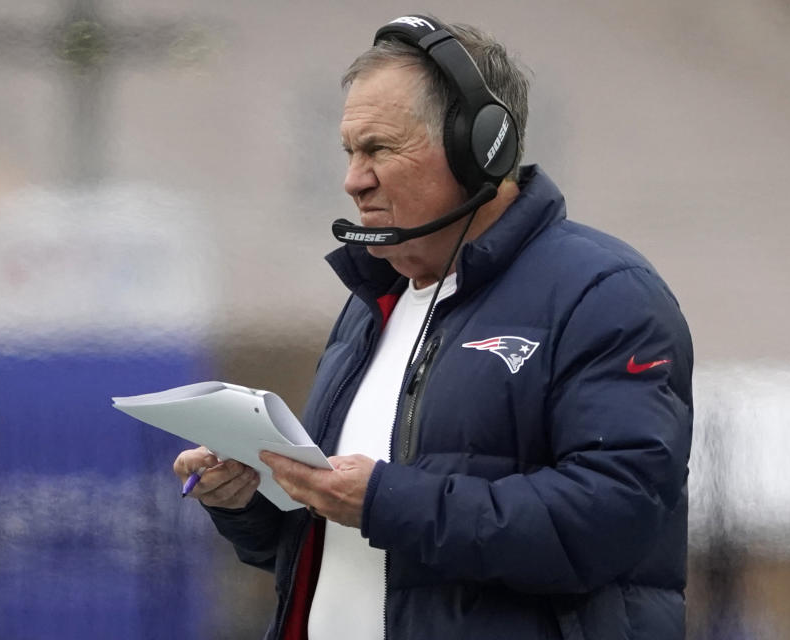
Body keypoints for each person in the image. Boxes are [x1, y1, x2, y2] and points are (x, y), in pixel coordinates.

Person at [174, 15, 692, 640]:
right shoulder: (374, 306)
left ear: (482, 149)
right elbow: (330, 547)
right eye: (349, 152)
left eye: (379, 149)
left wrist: (385, 501)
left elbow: (612, 521)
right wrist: (250, 501)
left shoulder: (604, 294)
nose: (353, 179)